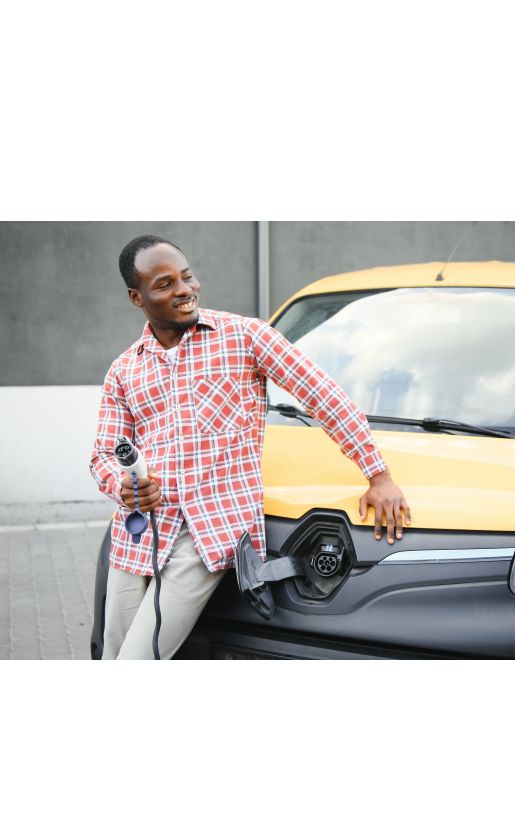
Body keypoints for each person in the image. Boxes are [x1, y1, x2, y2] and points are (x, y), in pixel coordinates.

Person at [90, 235, 412, 659]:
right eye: (165, 284)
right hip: (139, 532)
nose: (185, 290)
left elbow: (323, 396)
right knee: (109, 651)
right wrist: (123, 485)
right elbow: (105, 454)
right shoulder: (125, 369)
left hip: (207, 531)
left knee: (136, 658)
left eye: (187, 277)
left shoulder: (244, 336)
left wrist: (378, 474)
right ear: (137, 296)